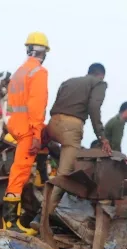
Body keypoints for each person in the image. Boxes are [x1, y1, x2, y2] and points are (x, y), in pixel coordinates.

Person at [45, 63, 112, 213]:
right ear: (100, 75)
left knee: (48, 157)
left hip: (52, 124)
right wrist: (102, 136)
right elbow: (94, 108)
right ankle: (42, 216)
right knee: (64, 176)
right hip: (71, 128)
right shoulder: (99, 83)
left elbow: (55, 104)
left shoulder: (68, 82)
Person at [2, 32, 50, 234]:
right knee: (19, 173)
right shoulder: (39, 72)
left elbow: (14, 104)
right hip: (28, 129)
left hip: (15, 125)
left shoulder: (19, 72)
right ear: (44, 52)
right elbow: (36, 106)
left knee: (20, 169)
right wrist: (37, 135)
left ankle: (41, 176)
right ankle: (10, 222)